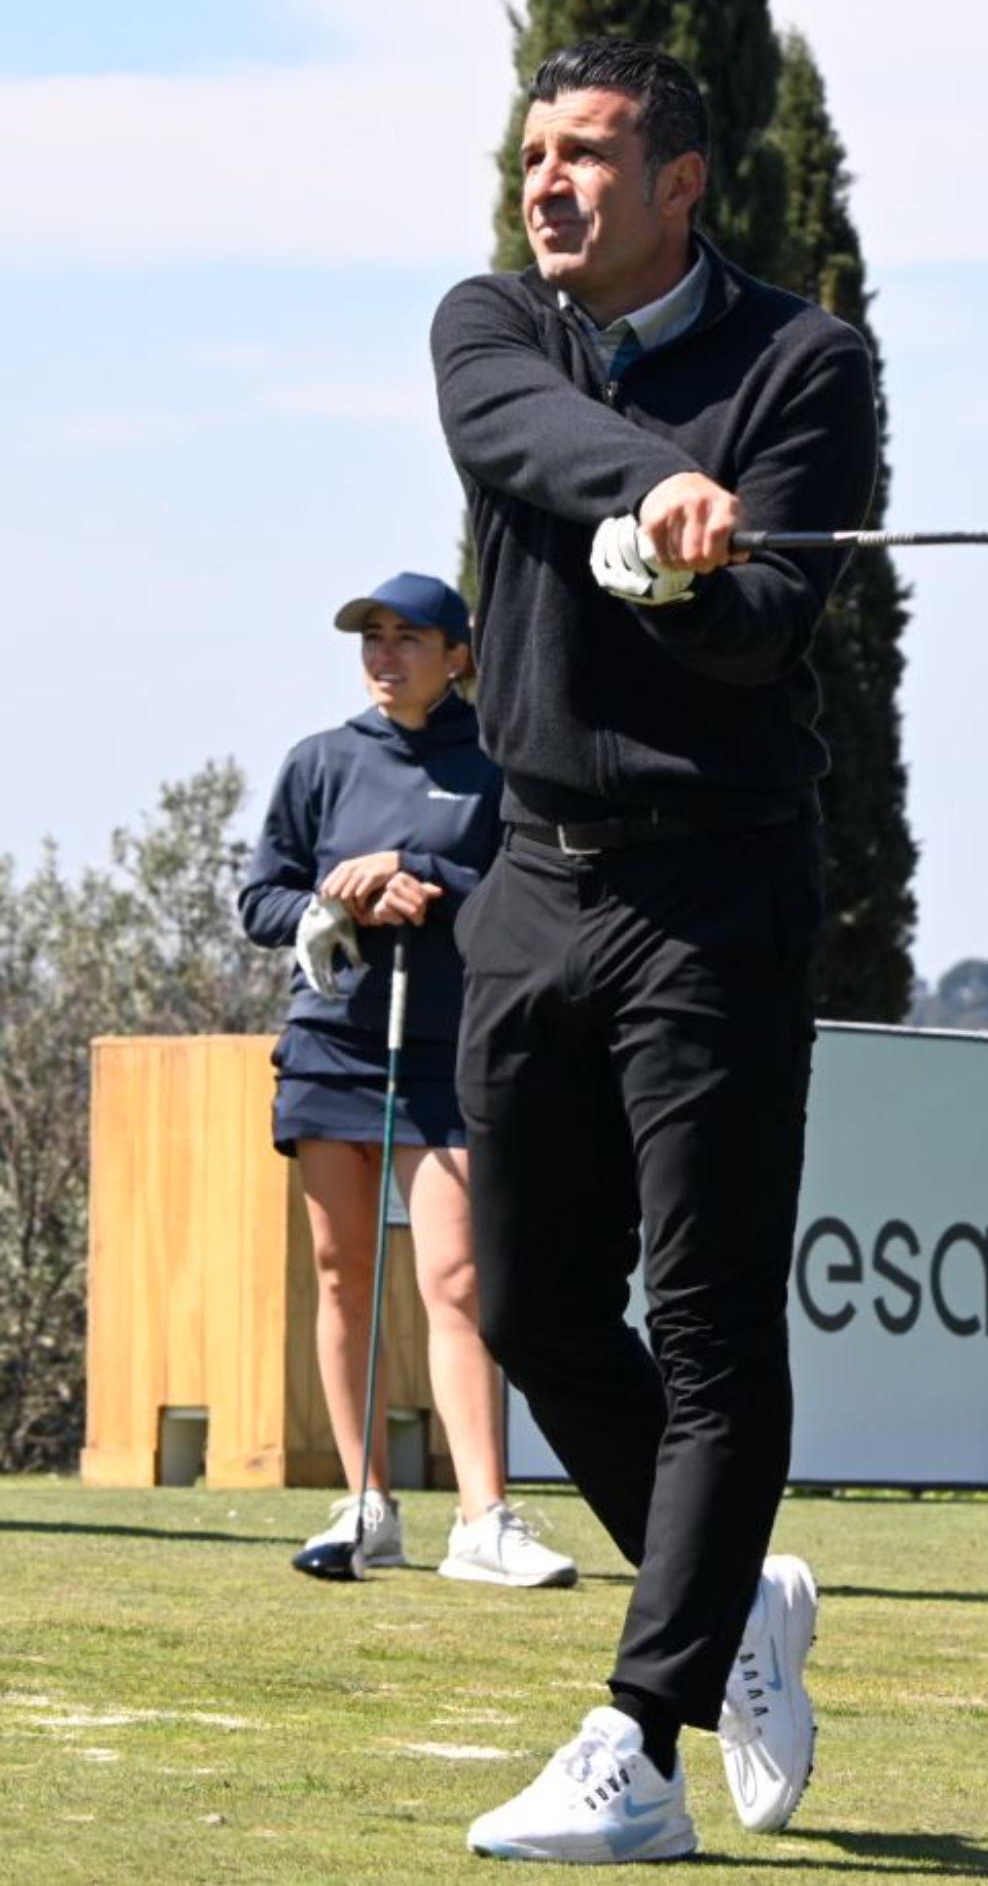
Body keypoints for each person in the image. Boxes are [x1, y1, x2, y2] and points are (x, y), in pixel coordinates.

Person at [428, 37, 878, 1863]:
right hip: (533, 880)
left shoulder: (803, 362)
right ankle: (734, 1599)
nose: (549, 181)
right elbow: (512, 435)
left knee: (704, 1321)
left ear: (680, 183)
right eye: (538, 149)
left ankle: (644, 1735)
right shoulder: (495, 322)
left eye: (591, 154)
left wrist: (693, 572)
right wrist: (655, 491)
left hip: (717, 889)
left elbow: (767, 624)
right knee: (528, 1306)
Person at [238, 572, 577, 1591]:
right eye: (372, 639)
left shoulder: (498, 762)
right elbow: (262, 899)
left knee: (458, 1280)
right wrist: (335, 906)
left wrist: (418, 874)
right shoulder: (321, 760)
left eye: (408, 638)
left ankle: (483, 1518)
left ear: (458, 655)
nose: (384, 656)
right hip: (335, 1043)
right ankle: (366, 1504)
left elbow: (531, 893)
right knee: (344, 1273)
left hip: (452, 1052)